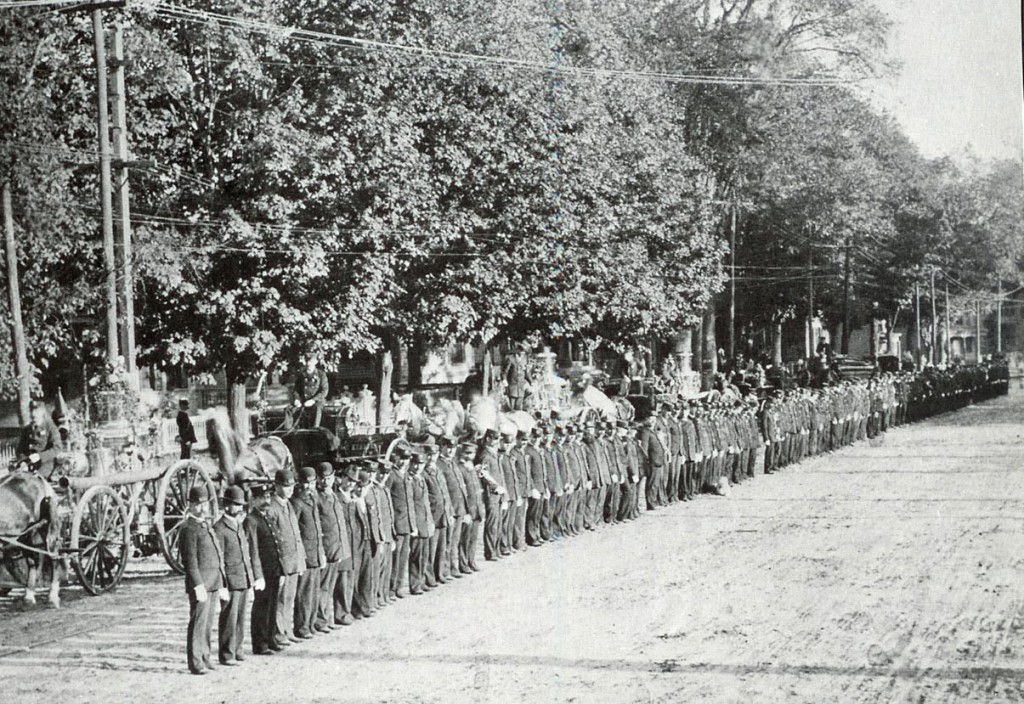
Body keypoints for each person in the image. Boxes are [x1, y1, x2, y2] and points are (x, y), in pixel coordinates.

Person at [178, 483, 227, 675]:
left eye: (204, 503)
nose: (202, 508)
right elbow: (189, 560)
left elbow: (217, 555)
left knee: (207, 624)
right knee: (198, 623)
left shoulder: (205, 525)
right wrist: (197, 584)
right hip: (201, 584)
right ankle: (196, 662)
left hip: (213, 581)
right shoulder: (188, 528)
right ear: (190, 505)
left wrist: (220, 582)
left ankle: (206, 657)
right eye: (197, 504)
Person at [213, 485, 262, 666]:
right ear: (226, 505)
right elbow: (219, 560)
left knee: (241, 617)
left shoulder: (238, 526)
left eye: (241, 505)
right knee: (229, 619)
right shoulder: (219, 528)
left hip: (242, 578)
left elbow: (245, 552)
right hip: (231, 580)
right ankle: (226, 654)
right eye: (235, 505)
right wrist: (222, 585)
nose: (239, 508)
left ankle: (238, 649)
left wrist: (253, 576)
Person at [262, 468, 304, 649]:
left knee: (289, 597)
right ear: (276, 486)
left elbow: (296, 534)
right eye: (285, 486)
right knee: (281, 599)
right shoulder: (272, 507)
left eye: (291, 486)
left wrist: (300, 559)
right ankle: (279, 634)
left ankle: (287, 630)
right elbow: (273, 540)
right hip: (282, 562)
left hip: (294, 560)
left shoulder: (288, 505)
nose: (289, 490)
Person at [243, 486, 279, 655]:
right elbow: (253, 549)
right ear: (254, 500)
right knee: (261, 607)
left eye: (268, 497)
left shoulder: (268, 517)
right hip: (263, 571)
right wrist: (257, 575)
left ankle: (271, 639)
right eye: (262, 498)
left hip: (274, 570)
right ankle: (260, 644)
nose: (266, 501)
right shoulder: (251, 520)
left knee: (272, 605)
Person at [291, 465, 326, 639]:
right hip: (305, 554)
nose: (308, 487)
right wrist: (300, 556)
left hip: (316, 552)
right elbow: (294, 531)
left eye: (311, 483)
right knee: (304, 593)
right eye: (305, 483)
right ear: (300, 483)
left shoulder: (314, 498)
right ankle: (302, 627)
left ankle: (311, 624)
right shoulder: (297, 502)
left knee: (313, 590)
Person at [314, 461, 349, 634]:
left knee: (330, 585)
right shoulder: (317, 497)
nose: (325, 481)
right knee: (323, 587)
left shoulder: (334, 496)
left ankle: (327, 618)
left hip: (336, 548)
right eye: (322, 478)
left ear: (334, 477)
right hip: (326, 549)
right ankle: (321, 621)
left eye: (328, 478)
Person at [16, 399, 64, 478]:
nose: (33, 418)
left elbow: (57, 447)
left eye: (36, 415)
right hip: (28, 463)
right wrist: (22, 461)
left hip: (44, 464)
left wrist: (40, 456)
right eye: (32, 416)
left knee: (35, 481)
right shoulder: (27, 429)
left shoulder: (50, 427)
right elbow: (20, 449)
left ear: (42, 413)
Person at [294, 357, 329, 428]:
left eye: (310, 362)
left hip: (317, 401)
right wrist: (297, 399)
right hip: (303, 401)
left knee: (317, 408)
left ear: (315, 362)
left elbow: (324, 390)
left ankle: (315, 429)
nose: (308, 364)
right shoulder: (301, 374)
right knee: (289, 409)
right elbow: (296, 389)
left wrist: (313, 400)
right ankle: (289, 432)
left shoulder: (321, 374)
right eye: (307, 362)